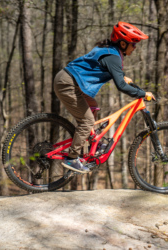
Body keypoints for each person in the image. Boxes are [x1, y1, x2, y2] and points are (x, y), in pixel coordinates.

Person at [53, 21, 155, 174]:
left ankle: (91, 139)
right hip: (67, 83)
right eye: (133, 44)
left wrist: (123, 78)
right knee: (87, 120)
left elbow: (105, 70)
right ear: (122, 43)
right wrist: (142, 94)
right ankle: (72, 158)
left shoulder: (109, 50)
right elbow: (120, 86)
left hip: (69, 80)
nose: (135, 48)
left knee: (93, 106)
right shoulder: (113, 57)